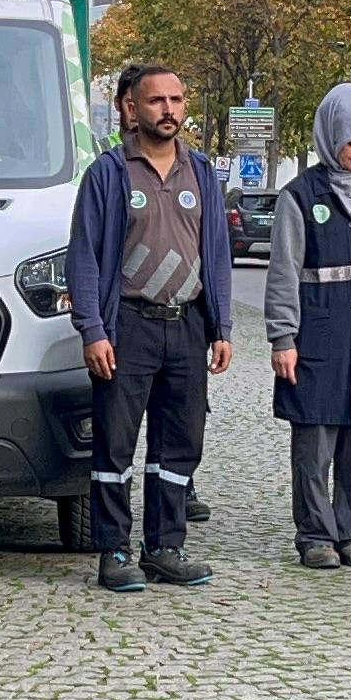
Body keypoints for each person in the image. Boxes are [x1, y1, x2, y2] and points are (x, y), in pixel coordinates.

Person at [68, 62, 234, 591]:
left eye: (177, 100)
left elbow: (218, 255)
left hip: (185, 326)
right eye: (157, 100)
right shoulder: (110, 173)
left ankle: (166, 546)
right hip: (128, 327)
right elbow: (84, 257)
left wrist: (221, 326)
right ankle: (114, 550)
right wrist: (92, 329)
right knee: (115, 446)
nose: (169, 110)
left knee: (180, 444)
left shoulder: (201, 172)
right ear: (132, 108)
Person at [267, 82, 351, 568]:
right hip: (317, 338)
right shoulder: (299, 197)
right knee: (315, 441)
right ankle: (315, 535)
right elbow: (284, 271)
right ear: (331, 138)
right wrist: (282, 336)